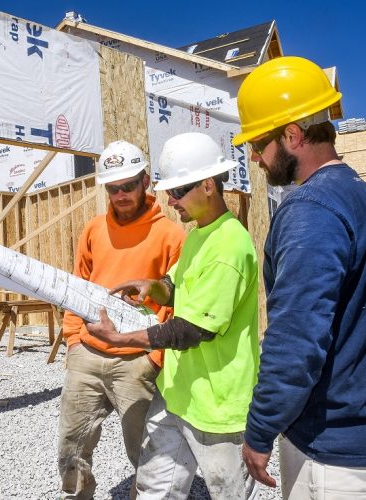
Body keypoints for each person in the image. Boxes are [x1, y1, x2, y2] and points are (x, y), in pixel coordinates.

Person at [87, 132, 261, 500]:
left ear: (209, 185)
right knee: (154, 489)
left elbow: (193, 330)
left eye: (178, 191)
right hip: (178, 394)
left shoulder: (230, 245)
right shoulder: (200, 234)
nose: (170, 200)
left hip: (218, 407)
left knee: (227, 492)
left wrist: (120, 339)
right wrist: (153, 286)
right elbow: (177, 285)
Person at [232, 56, 366, 498]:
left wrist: (260, 429)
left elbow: (297, 339)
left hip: (331, 455)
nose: (253, 155)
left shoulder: (310, 211)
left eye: (259, 142)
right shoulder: (356, 194)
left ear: (292, 135)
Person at [58, 140, 186, 499]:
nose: (121, 194)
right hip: (88, 354)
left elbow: (180, 301)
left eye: (128, 185)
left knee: (146, 452)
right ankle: (79, 494)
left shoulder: (170, 235)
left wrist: (153, 358)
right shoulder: (94, 230)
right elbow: (77, 286)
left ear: (145, 181)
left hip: (136, 361)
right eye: (113, 188)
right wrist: (72, 340)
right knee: (71, 446)